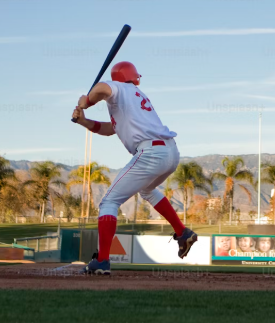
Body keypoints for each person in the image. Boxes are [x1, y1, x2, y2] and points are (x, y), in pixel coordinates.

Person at [72, 61, 197, 275]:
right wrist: (84, 121)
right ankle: (182, 232)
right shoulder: (132, 100)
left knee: (109, 201)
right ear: (134, 76)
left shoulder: (122, 89)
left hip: (150, 152)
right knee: (147, 190)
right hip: (170, 152)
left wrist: (89, 101)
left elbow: (101, 88)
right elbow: (110, 129)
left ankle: (102, 261)